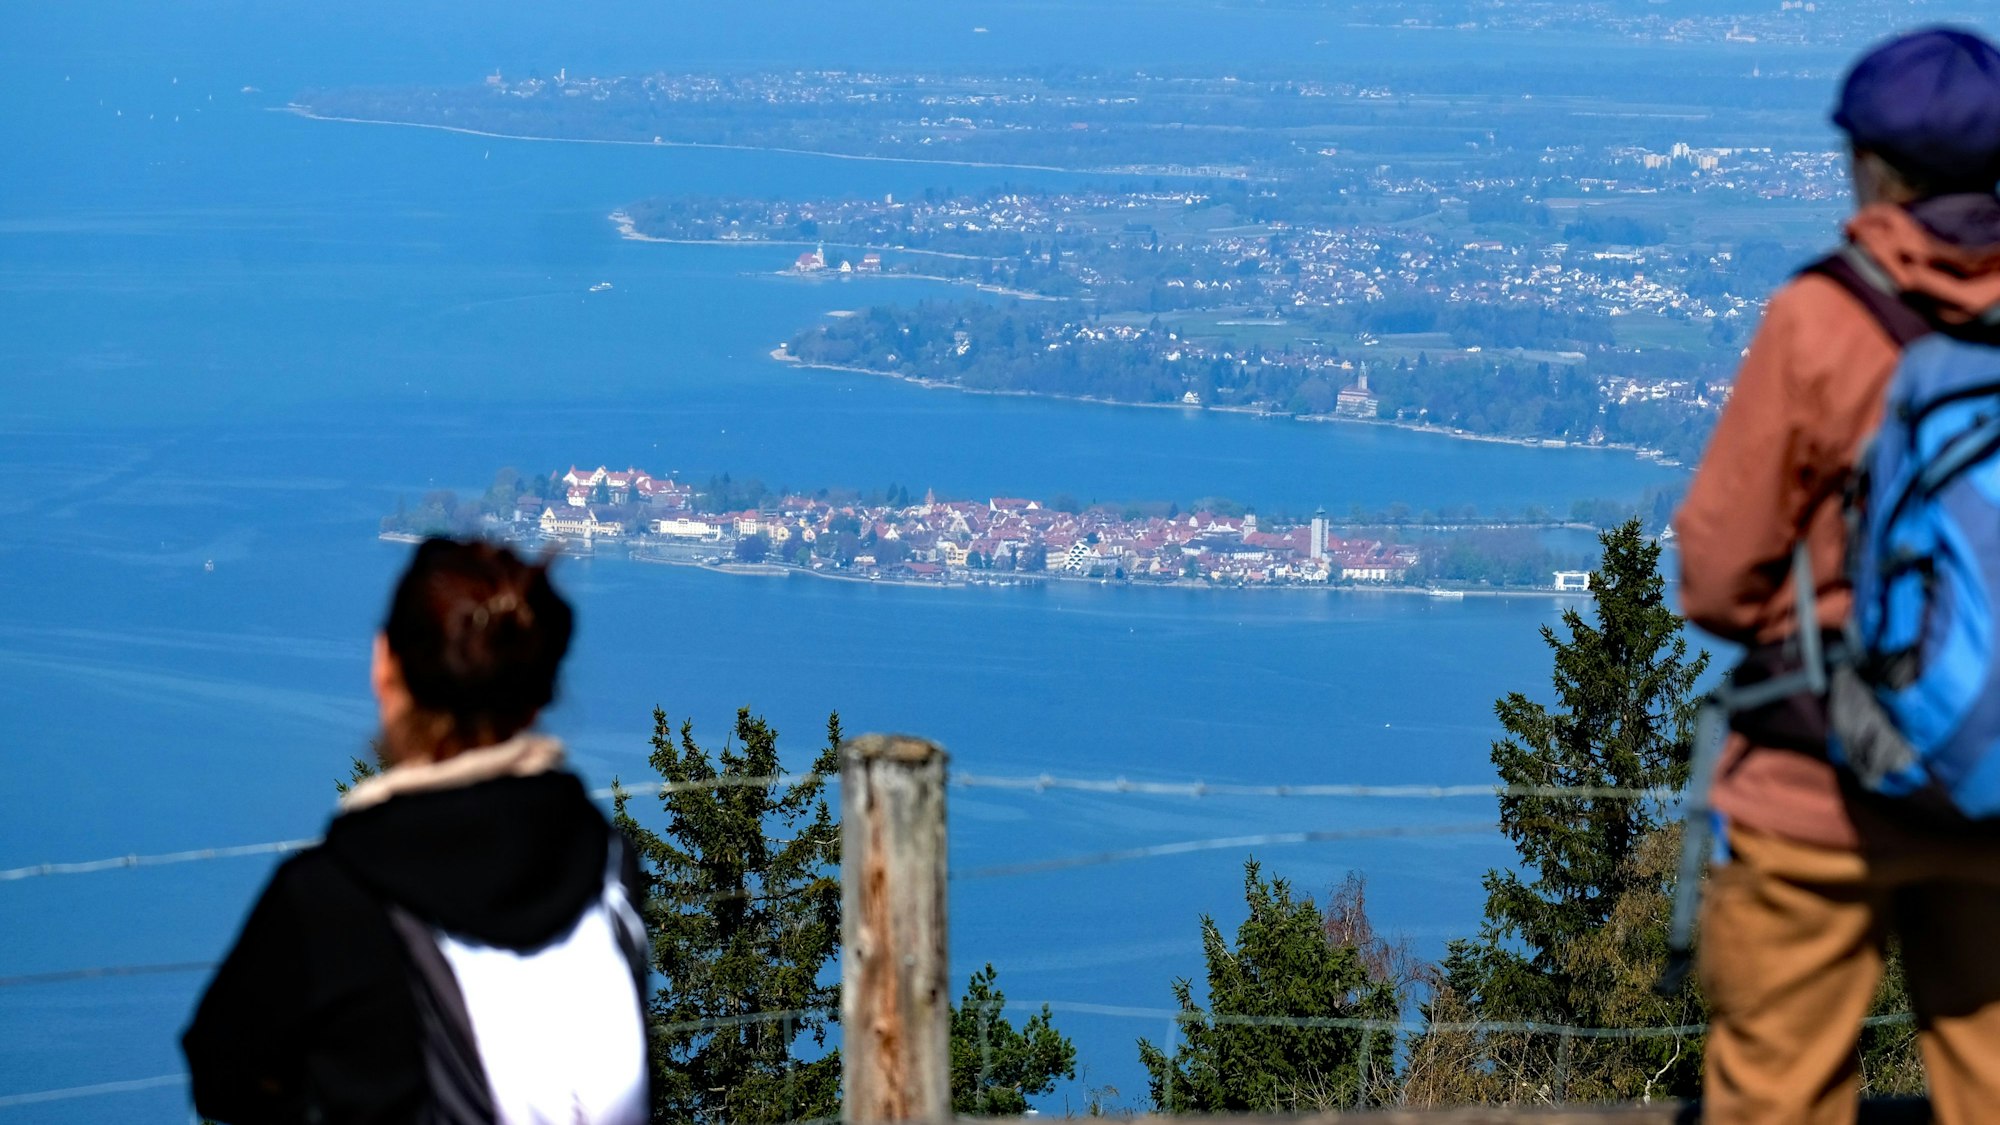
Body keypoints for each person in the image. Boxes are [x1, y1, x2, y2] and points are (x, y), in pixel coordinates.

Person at [1676, 26, 2000, 1125]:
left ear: (1865, 161)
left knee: (1778, 1096)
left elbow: (1716, 578)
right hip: (1995, 778)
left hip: (1818, 782)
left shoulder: (1820, 319)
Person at [182, 538, 650, 1124]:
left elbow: (221, 1077)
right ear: (534, 701)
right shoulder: (605, 864)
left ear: (384, 666)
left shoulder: (331, 895)